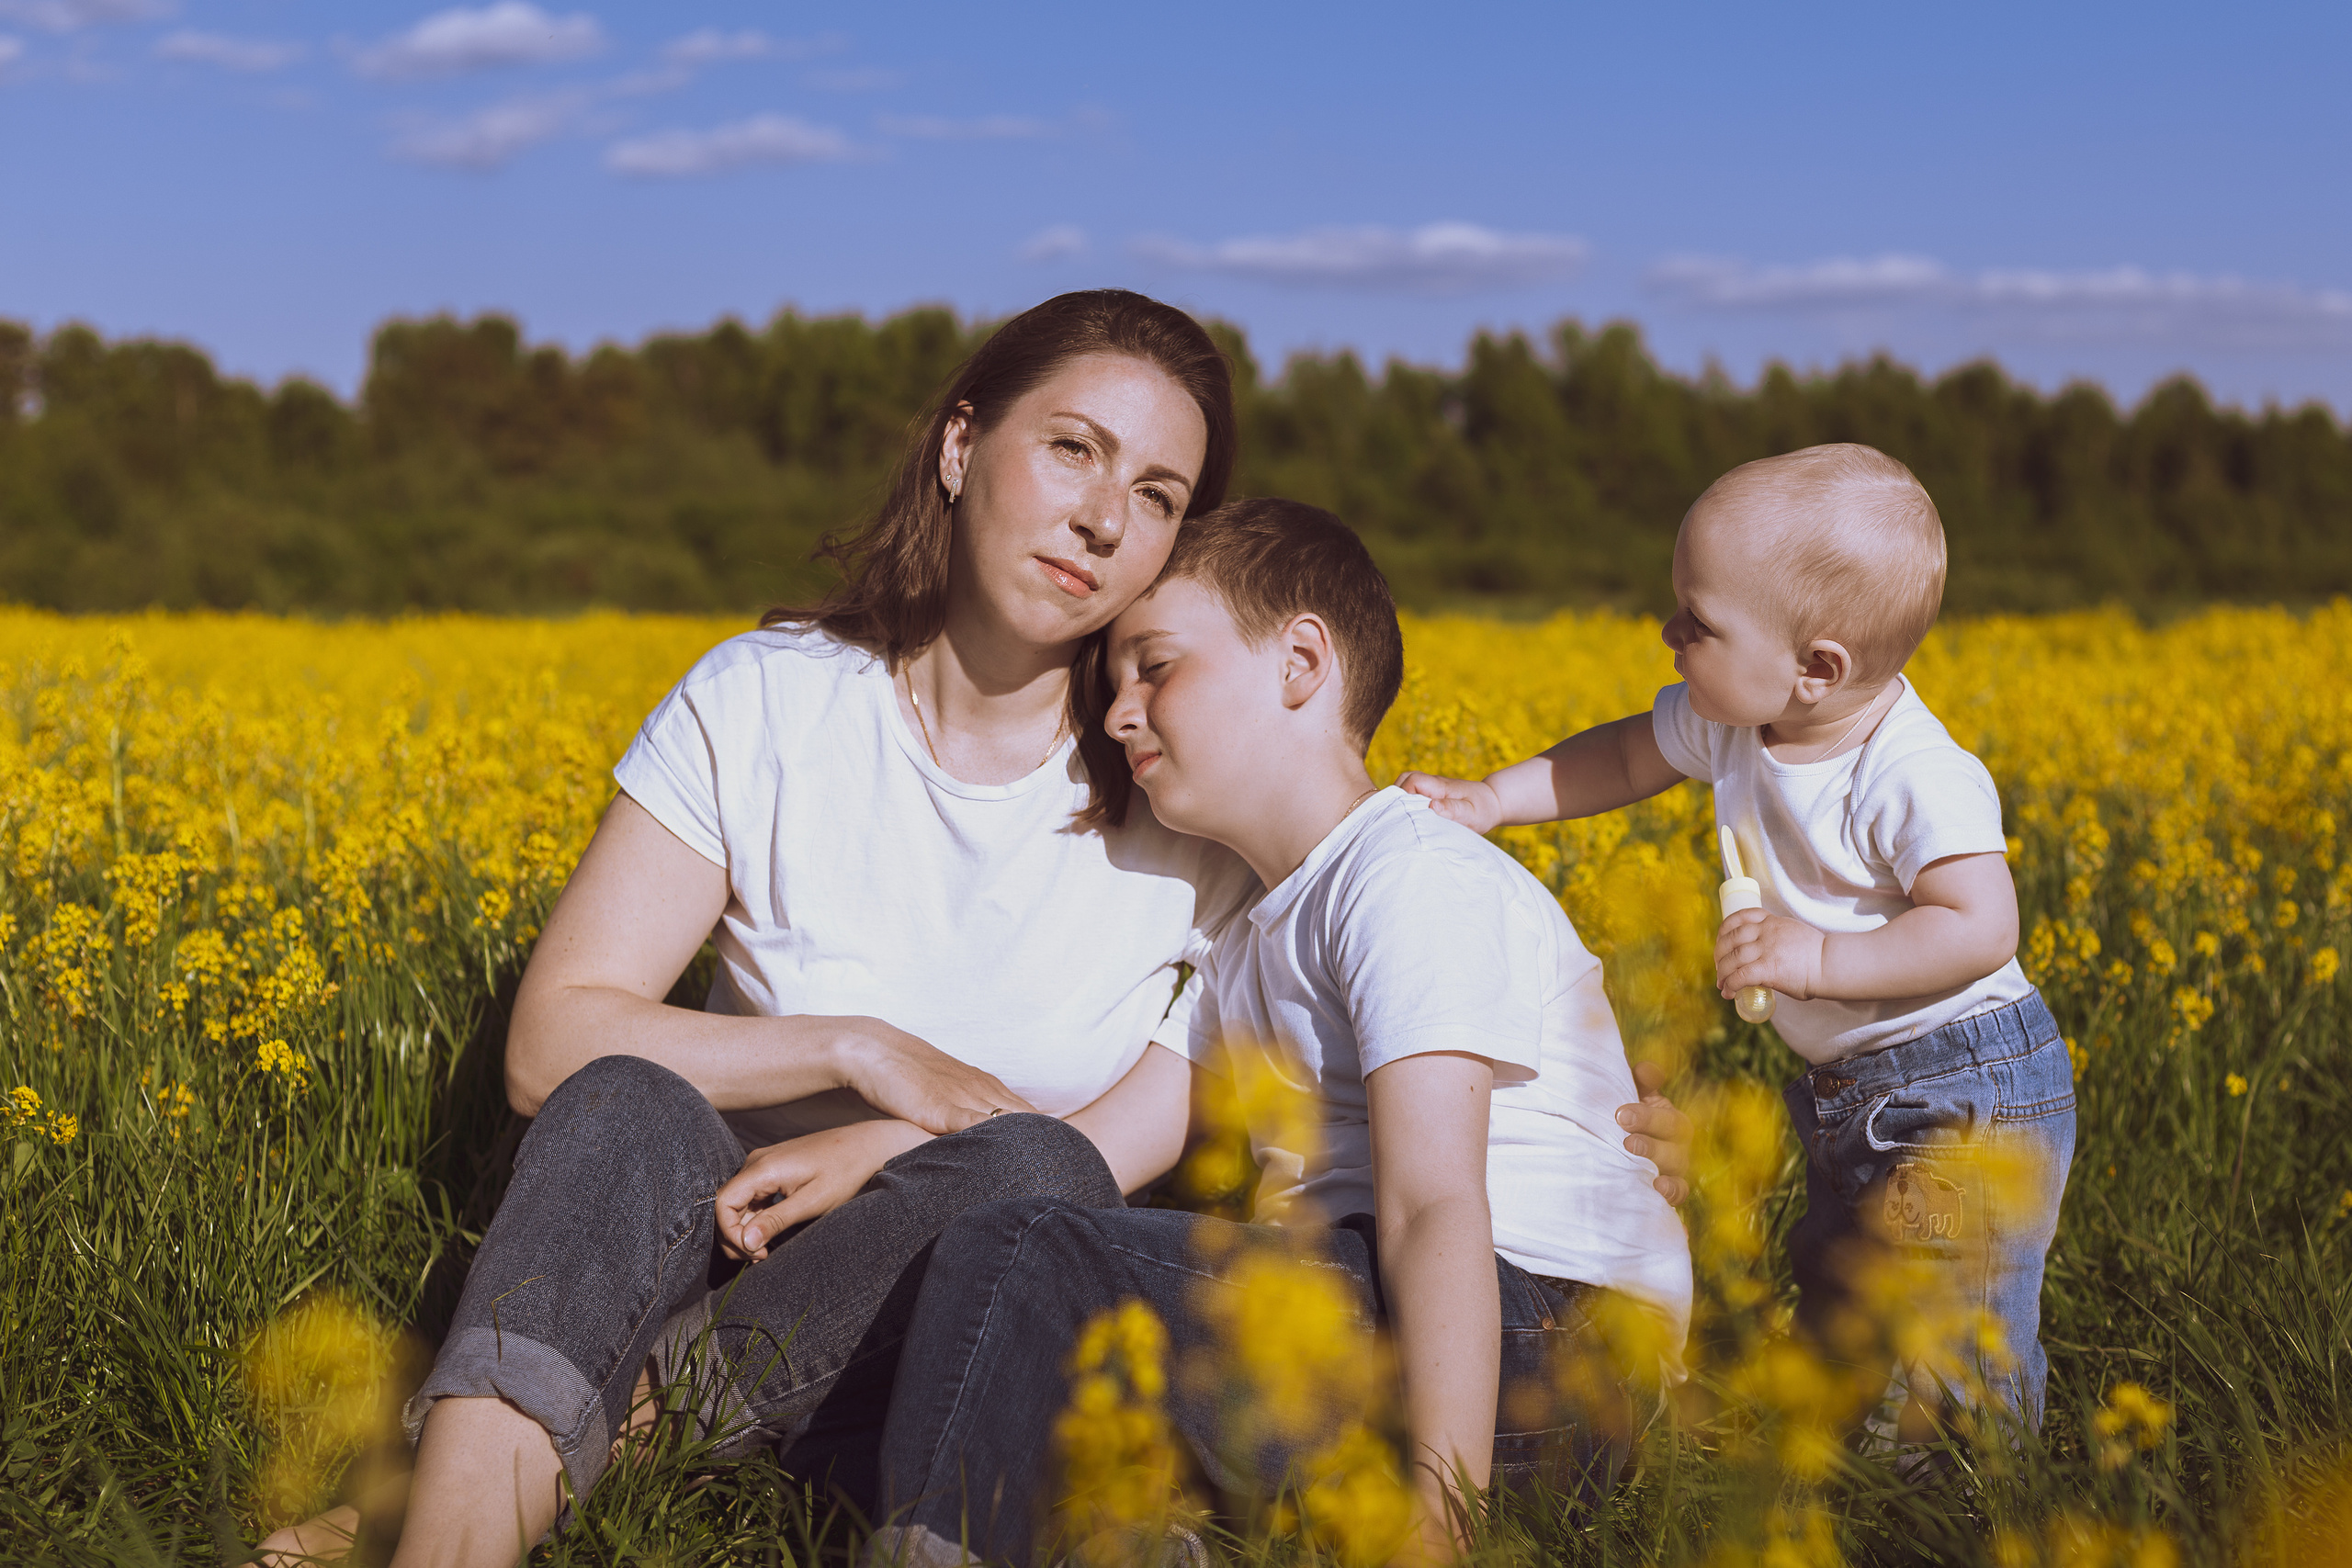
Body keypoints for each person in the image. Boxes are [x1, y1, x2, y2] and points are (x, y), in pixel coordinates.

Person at [254, 292, 1697, 1568]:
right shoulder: (766, 699)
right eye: (1072, 447)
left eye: (1156, 491)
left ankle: (535, 1462)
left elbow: (1218, 1106)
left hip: (915, 1326)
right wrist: (862, 1053)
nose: (1102, 515)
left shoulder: (1192, 802)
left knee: (1026, 1164)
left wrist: (1601, 1126)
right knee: (626, 1097)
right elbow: (548, 1043)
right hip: (710, 1248)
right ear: (960, 448)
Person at [866, 499, 1692, 1568]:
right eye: (1114, 684)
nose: (1118, 717)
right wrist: (871, 1148)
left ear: (1301, 661)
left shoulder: (1407, 875)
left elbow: (1435, 1201)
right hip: (1396, 1328)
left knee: (1023, 1254)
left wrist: (1442, 1522)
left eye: (1153, 668)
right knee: (1028, 1287)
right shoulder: (1246, 943)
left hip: (1539, 1343)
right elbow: (1083, 1152)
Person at [1400, 444, 2073, 1453]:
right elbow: (1624, 754)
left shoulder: (1911, 773)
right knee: (1842, 1288)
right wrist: (1493, 798)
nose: (1667, 631)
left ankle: (1971, 1502)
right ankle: (1840, 1462)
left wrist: (1818, 961)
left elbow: (1981, 927)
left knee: (1947, 1318)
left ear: (1817, 667)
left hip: (1965, 1083)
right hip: (1856, 1086)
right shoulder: (1734, 723)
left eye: (1698, 621)